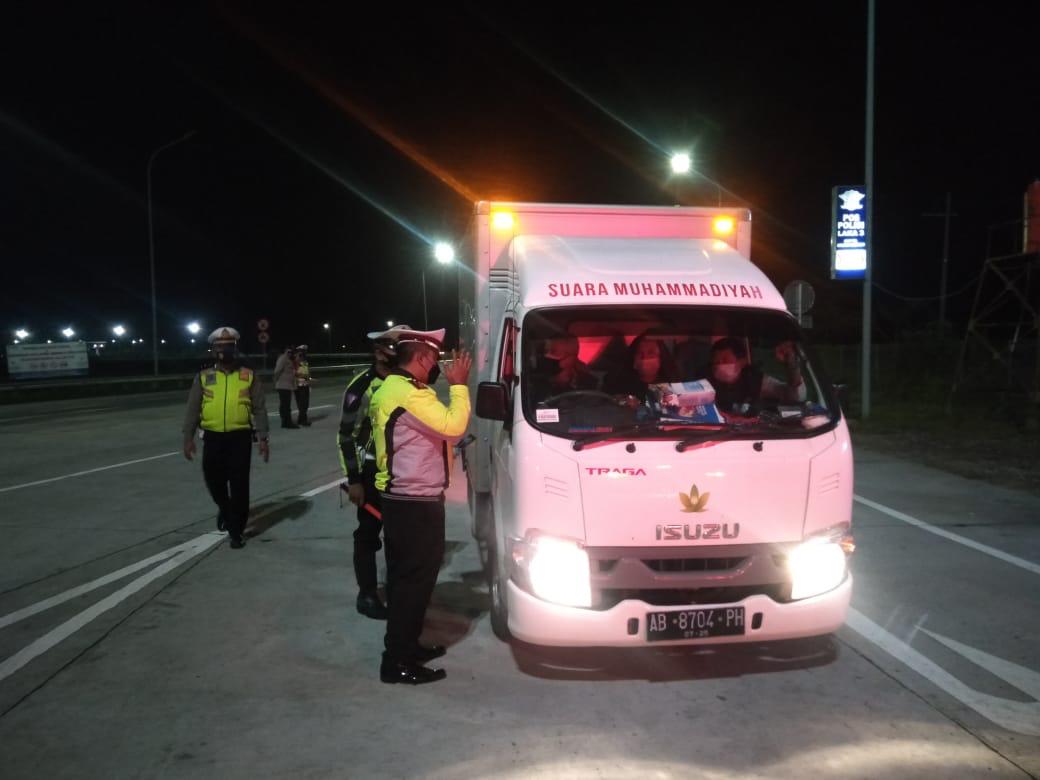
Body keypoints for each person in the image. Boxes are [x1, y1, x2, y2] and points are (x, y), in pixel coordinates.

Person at [369, 328, 472, 685]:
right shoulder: (405, 392)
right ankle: (397, 661)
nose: (438, 364)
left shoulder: (403, 389)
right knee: (412, 583)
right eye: (436, 358)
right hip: (412, 502)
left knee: (409, 581)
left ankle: (406, 647)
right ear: (423, 357)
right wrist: (459, 386)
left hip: (411, 499)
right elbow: (453, 426)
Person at [337, 323, 412, 620]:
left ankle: (400, 590)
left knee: (402, 537)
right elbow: (346, 435)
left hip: (404, 474)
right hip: (371, 475)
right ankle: (367, 593)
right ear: (379, 353)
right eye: (394, 348)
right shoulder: (361, 387)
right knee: (368, 535)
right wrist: (354, 480)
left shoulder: (410, 383)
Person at [182, 327, 270, 549]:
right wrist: (188, 437)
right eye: (220, 346)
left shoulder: (248, 375)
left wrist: (263, 438)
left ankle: (236, 531)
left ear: (235, 348)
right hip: (212, 438)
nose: (224, 350)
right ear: (213, 350)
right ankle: (225, 507)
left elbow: (260, 409)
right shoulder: (204, 377)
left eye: (229, 346)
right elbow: (193, 409)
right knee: (213, 481)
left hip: (240, 438)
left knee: (239, 485)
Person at [707, 336, 806, 417]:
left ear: (742, 361)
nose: (719, 365)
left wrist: (791, 363)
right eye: (716, 361)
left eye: (725, 360)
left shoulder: (754, 379)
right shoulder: (705, 379)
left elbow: (795, 397)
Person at [604, 334, 680, 404]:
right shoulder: (617, 386)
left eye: (651, 353)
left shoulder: (675, 385)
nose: (644, 358)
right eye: (639, 353)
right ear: (633, 360)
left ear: (661, 359)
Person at [533, 334, 597, 397]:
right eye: (546, 351)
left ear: (571, 359)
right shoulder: (537, 383)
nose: (547, 356)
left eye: (553, 352)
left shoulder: (589, 390)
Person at [273, 345, 299, 429]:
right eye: (288, 351)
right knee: (286, 405)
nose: (290, 353)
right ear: (285, 351)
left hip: (287, 386)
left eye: (291, 351)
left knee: (284, 405)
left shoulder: (289, 359)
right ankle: (287, 422)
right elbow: (277, 371)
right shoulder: (283, 358)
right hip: (283, 385)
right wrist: (275, 381)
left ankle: (285, 422)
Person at [294, 344, 313, 426]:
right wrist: (306, 377)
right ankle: (303, 420)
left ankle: (300, 419)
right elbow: (299, 373)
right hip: (301, 384)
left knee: (302, 403)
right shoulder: (298, 360)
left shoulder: (301, 360)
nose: (305, 353)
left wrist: (309, 378)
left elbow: (306, 371)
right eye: (304, 351)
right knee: (303, 403)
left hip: (302, 384)